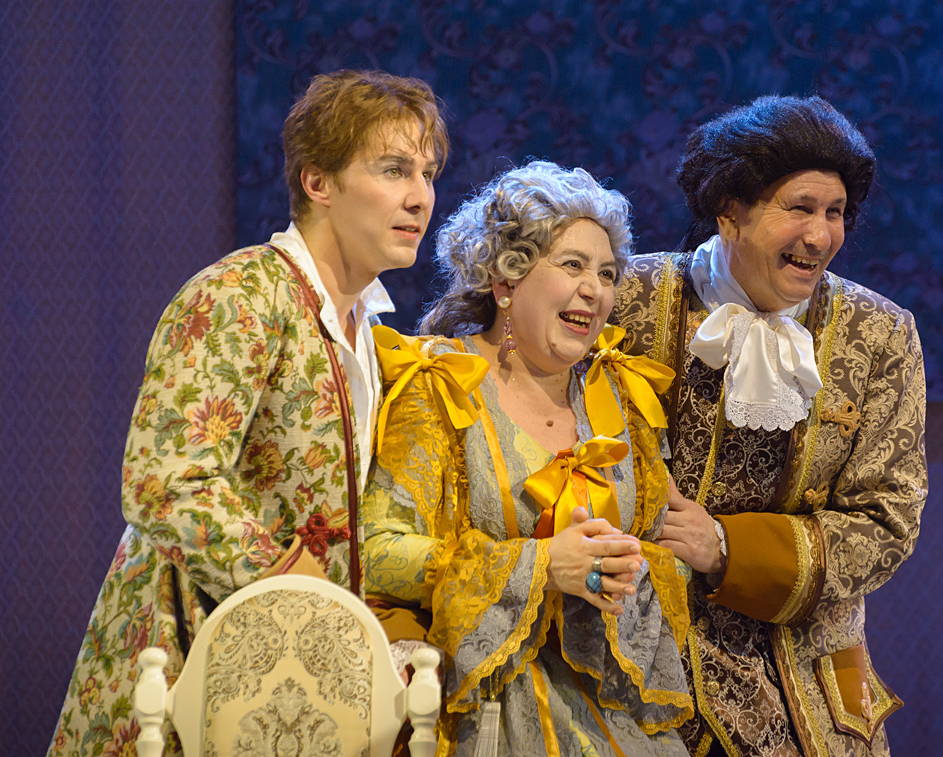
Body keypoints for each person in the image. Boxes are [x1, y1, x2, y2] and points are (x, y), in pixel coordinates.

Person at [48, 69, 447, 756]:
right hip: (187, 655)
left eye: (428, 173)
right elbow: (166, 482)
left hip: (295, 683)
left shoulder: (369, 329)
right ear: (318, 182)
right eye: (393, 170)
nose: (420, 196)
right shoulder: (241, 295)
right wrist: (299, 587)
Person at [612, 95, 928, 756]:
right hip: (642, 677)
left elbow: (887, 522)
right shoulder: (626, 297)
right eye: (800, 207)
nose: (820, 235)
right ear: (730, 210)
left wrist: (727, 547)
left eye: (835, 212)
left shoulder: (881, 333)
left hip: (805, 694)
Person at [362, 161, 694, 755]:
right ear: (506, 280)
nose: (595, 289)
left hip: (613, 711)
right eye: (572, 265)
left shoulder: (621, 397)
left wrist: (626, 568)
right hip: (487, 709)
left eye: (607, 273)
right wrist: (540, 567)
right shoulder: (441, 384)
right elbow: (377, 553)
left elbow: (664, 549)